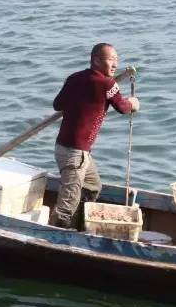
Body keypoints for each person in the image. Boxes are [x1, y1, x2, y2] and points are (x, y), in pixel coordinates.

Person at [50, 43, 139, 229]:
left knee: (92, 185)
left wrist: (80, 100)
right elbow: (122, 107)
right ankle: (58, 231)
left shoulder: (74, 78)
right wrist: (133, 103)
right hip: (75, 153)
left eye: (116, 60)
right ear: (96, 61)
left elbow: (58, 105)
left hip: (67, 149)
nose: (114, 64)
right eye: (110, 59)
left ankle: (80, 224)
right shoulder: (108, 83)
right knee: (66, 206)